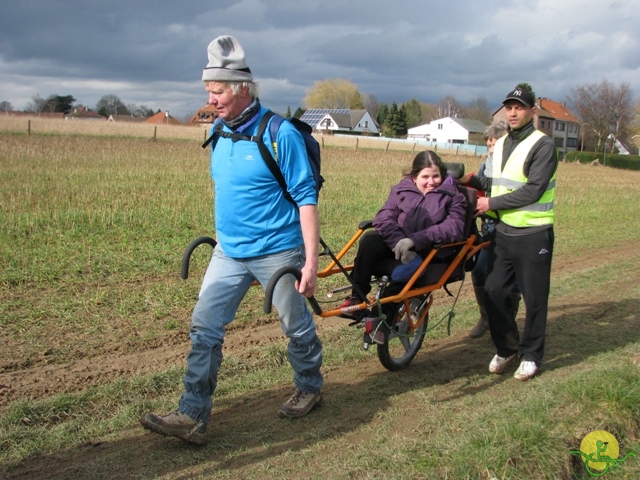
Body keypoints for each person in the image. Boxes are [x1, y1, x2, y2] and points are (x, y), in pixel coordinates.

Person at [140, 35, 323, 444]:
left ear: (241, 89)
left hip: (279, 249)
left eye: (217, 90)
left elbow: (306, 200)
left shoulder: (280, 133)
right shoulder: (219, 131)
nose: (210, 97)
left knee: (294, 325)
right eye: (208, 89)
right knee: (204, 327)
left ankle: (310, 385)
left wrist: (309, 264)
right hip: (229, 252)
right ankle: (192, 415)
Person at [462, 85, 558, 381]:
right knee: (493, 290)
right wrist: (469, 180)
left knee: (534, 298)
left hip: (533, 232)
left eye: (519, 107)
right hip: (504, 232)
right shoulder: (501, 143)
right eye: (509, 107)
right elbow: (497, 182)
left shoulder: (543, 145)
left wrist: (491, 203)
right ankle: (507, 347)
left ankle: (531, 355)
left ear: (532, 111)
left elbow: (533, 189)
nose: (513, 112)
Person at [340, 150, 468, 331]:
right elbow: (384, 218)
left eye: (436, 176)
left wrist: (415, 241)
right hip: (399, 245)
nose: (431, 182)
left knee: (406, 273)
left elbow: (453, 227)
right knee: (370, 240)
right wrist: (399, 242)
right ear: (414, 177)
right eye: (425, 177)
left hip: (429, 251)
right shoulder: (401, 190)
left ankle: (381, 318)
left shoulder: (453, 195)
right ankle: (357, 297)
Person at [468, 121, 522, 338]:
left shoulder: (517, 167)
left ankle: (507, 322)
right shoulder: (485, 166)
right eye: (488, 146)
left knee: (512, 278)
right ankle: (486, 317)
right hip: (489, 228)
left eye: (495, 145)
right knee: (479, 269)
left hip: (514, 227)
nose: (491, 150)